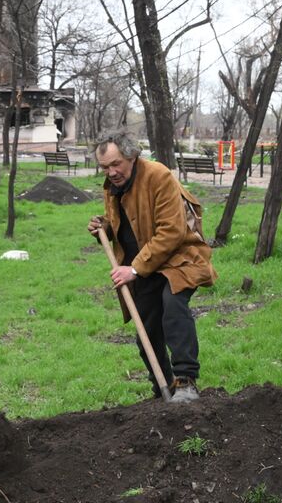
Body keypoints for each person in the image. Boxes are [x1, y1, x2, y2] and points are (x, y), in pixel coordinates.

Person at [86, 132, 217, 402]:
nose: (111, 172)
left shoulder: (158, 176)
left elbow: (172, 232)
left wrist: (132, 270)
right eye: (105, 167)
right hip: (146, 263)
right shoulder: (113, 186)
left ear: (131, 156)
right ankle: (163, 387)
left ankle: (186, 382)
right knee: (146, 328)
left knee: (173, 307)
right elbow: (128, 223)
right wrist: (104, 227)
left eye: (115, 164)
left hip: (178, 258)